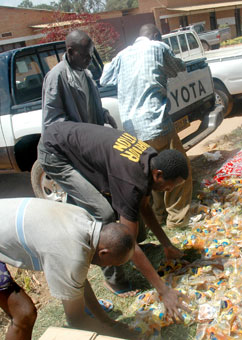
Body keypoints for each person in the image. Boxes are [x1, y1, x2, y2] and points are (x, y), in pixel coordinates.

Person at [37, 120, 191, 320]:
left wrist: (167, 245)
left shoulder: (150, 159)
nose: (168, 190)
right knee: (107, 216)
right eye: (169, 186)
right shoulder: (132, 180)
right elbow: (127, 238)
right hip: (55, 151)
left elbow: (144, 206)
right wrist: (164, 290)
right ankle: (113, 280)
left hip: (70, 139)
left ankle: (131, 258)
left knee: (128, 217)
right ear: (158, 174)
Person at [0, 198, 138, 340]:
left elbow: (77, 280)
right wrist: (117, 334)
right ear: (103, 253)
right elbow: (76, 320)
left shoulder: (86, 222)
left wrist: (108, 323)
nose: (110, 268)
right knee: (24, 313)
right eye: (113, 263)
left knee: (25, 311)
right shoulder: (70, 252)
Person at [100, 24, 193, 230]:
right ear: (157, 36)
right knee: (178, 170)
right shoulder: (158, 47)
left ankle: (158, 217)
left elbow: (104, 79)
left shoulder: (122, 54)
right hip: (156, 123)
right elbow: (178, 68)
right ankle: (177, 220)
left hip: (133, 130)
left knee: (152, 173)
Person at [41, 29, 116, 127]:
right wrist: (80, 134)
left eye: (91, 54)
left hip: (89, 137)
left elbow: (88, 107)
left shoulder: (86, 74)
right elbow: (53, 121)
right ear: (70, 52)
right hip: (74, 140)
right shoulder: (56, 77)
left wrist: (104, 114)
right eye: (84, 54)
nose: (89, 58)